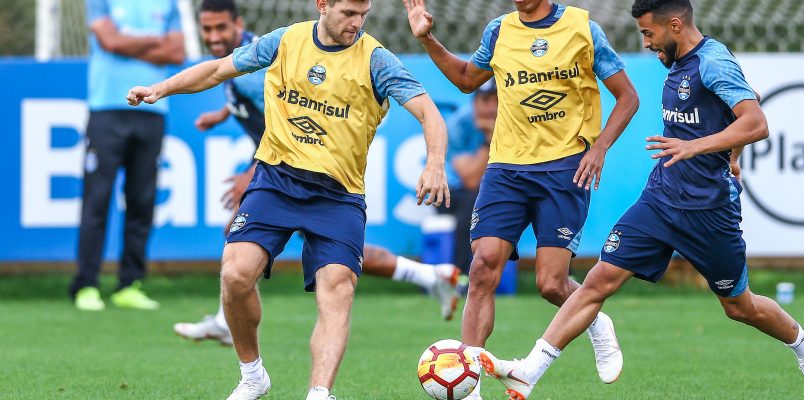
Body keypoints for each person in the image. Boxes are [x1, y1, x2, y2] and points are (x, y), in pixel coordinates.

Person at [477, 1, 804, 399]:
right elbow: (739, 111)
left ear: (675, 25)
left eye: (649, 34)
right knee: (597, 282)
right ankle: (530, 371)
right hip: (660, 199)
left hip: (708, 210)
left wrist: (698, 148)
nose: (646, 43)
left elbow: (756, 122)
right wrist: (731, 155)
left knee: (739, 306)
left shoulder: (713, 61)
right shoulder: (679, 62)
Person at [127, 0, 450, 398]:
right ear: (322, 5)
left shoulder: (376, 60)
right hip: (276, 180)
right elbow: (215, 70)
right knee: (234, 273)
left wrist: (435, 163)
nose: (357, 23)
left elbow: (430, 113)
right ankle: (252, 376)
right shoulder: (285, 41)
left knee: (338, 288)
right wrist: (160, 88)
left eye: (363, 14)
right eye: (348, 13)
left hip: (338, 195)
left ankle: (319, 393)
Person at [403, 0, 640, 397]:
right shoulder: (499, 31)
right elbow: (465, 78)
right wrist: (427, 39)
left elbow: (627, 96)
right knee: (481, 269)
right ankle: (470, 386)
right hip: (506, 169)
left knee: (550, 284)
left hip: (565, 169)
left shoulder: (583, 28)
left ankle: (596, 321)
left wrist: (598, 148)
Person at [70, 0, 185, 311]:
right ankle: (87, 284)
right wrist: (153, 42)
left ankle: (129, 283)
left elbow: (176, 52)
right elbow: (109, 41)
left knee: (142, 200)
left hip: (152, 110)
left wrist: (126, 43)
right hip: (106, 109)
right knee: (97, 199)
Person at [439, 80, 498, 275]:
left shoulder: (513, 122)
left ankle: (560, 273)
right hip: (450, 192)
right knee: (473, 200)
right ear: (475, 102)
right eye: (485, 100)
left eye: (496, 100)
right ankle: (462, 275)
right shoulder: (458, 123)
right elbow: (470, 180)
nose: (491, 108)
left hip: (493, 188)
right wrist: (489, 139)